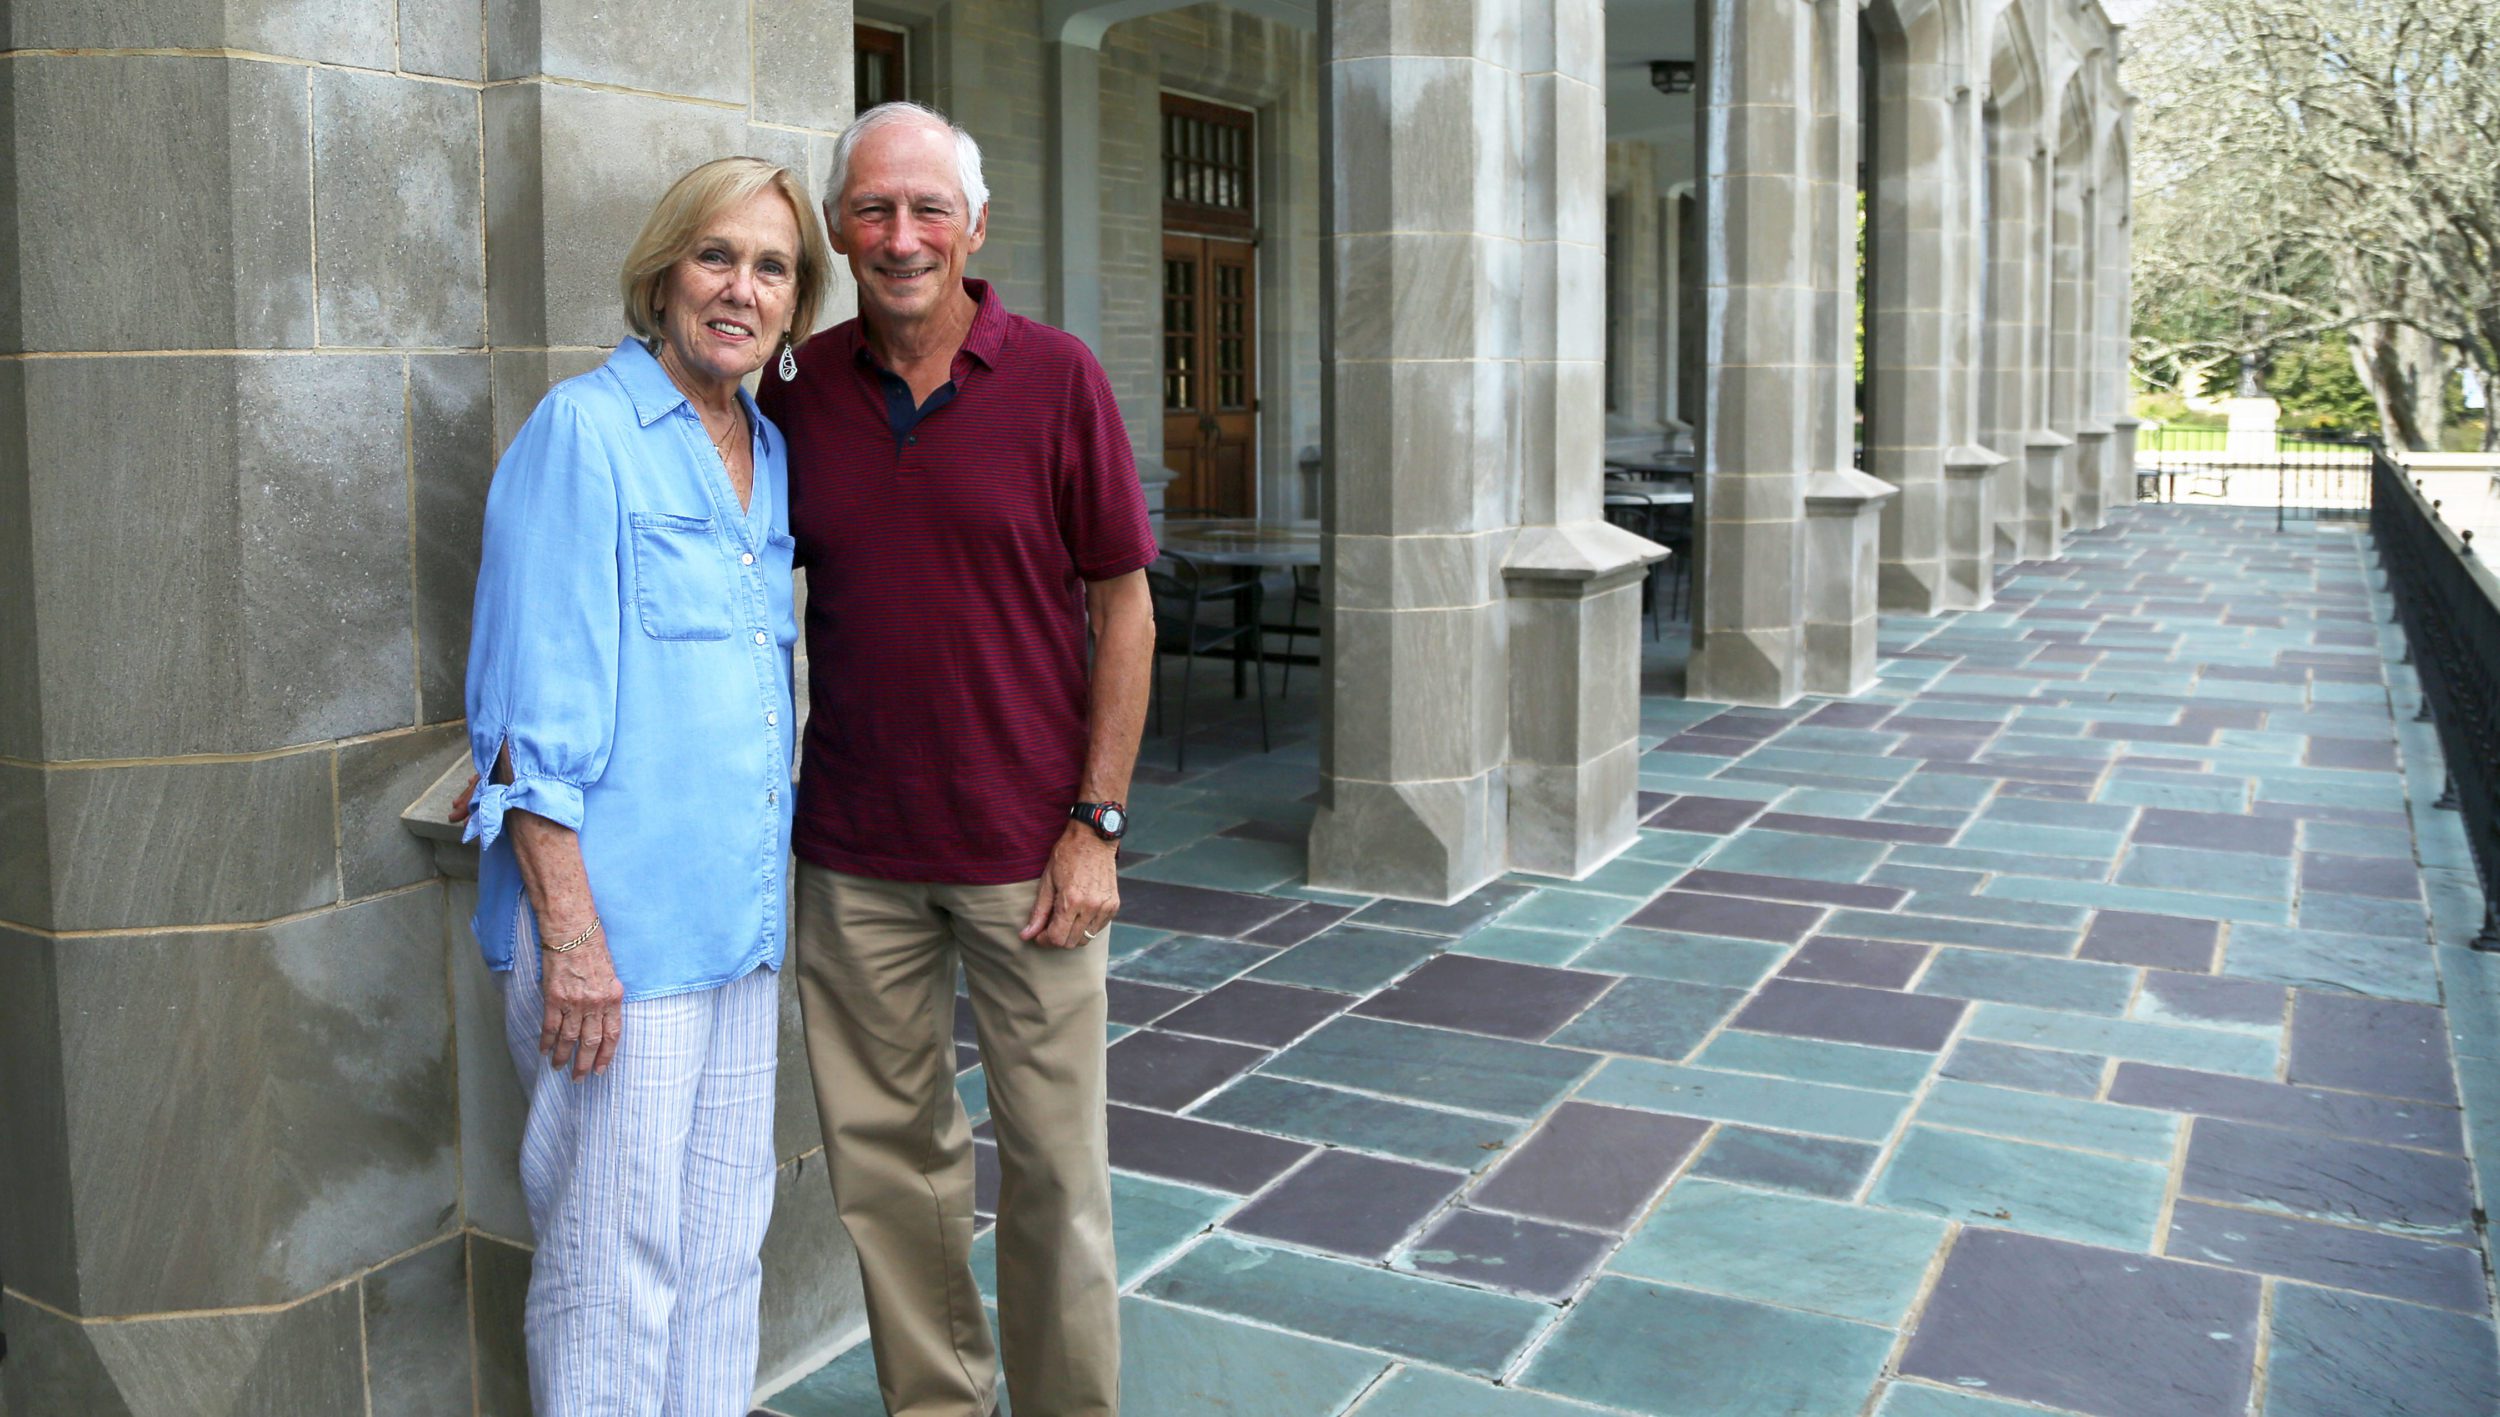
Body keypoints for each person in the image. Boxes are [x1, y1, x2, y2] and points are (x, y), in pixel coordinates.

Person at [758, 102, 1156, 1417]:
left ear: (975, 226)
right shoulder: (796, 394)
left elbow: (1122, 603)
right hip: (854, 854)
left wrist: (1095, 822)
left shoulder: (1056, 378)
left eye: (929, 207)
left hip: (1028, 855)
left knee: (1055, 1171)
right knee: (890, 1174)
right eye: (874, 208)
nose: (903, 234)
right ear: (836, 230)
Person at [461, 155, 829, 1417]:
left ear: (794, 305)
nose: (741, 288)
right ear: (662, 274)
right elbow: (522, 728)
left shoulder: (769, 453)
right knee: (610, 1275)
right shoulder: (584, 432)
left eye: (771, 268)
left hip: (739, 930)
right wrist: (571, 941)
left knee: (723, 1255)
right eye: (715, 257)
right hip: (615, 950)